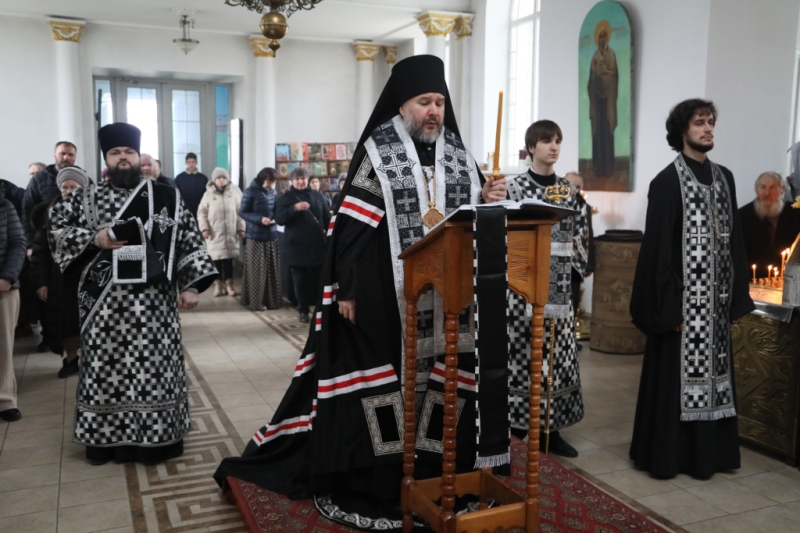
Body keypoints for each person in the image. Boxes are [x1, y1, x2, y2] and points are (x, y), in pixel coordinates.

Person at [214, 54, 507, 528]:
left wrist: (488, 199)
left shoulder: (458, 154)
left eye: (438, 102)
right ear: (402, 105)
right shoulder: (380, 150)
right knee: (386, 386)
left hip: (449, 299)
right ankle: (382, 482)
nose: (433, 111)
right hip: (384, 297)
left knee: (442, 385)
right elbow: (350, 226)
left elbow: (469, 218)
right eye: (423, 102)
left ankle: (438, 473)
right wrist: (346, 288)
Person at [48, 122, 217, 465]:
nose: (123, 158)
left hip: (154, 305)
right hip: (103, 308)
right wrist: (95, 239)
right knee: (105, 372)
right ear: (105, 159)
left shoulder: (166, 195)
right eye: (115, 153)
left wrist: (191, 285)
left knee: (156, 371)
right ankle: (106, 443)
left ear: (139, 156)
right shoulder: (85, 198)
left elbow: (187, 237)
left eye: (128, 152)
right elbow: (55, 227)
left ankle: (159, 440)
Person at [629, 99, 754, 479]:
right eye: (700, 123)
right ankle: (669, 457)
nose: (708, 129)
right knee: (673, 384)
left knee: (716, 381)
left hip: (714, 308)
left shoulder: (725, 178)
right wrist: (670, 309)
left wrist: (734, 298)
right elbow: (657, 251)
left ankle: (709, 457)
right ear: (683, 130)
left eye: (711, 122)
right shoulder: (667, 182)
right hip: (683, 309)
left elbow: (734, 242)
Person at [505, 121, 589, 458]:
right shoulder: (514, 188)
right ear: (531, 147)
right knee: (521, 359)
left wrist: (572, 275)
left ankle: (551, 431)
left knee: (555, 360)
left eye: (557, 141)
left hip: (557, 290)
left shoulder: (568, 191)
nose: (553, 147)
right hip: (519, 291)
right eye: (546, 141)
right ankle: (517, 427)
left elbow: (581, 233)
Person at [30, 167, 91, 378]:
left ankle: (94, 362)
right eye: (64, 187)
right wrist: (41, 282)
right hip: (61, 279)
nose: (68, 190)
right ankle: (71, 359)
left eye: (73, 186)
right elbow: (40, 252)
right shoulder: (49, 213)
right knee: (67, 322)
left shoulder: (94, 211)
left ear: (83, 188)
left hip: (90, 277)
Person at [274, 167, 330, 323]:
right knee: (300, 281)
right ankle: (303, 310)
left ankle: (321, 309)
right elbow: (279, 218)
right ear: (292, 181)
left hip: (317, 247)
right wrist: (294, 208)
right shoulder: (286, 197)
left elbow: (326, 219)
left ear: (307, 180)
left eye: (303, 178)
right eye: (297, 179)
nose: (300, 181)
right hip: (296, 248)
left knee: (320, 281)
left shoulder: (318, 196)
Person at [739, 171, 800, 278]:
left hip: (788, 278)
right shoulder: (742, 216)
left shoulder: (795, 213)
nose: (767, 193)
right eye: (762, 187)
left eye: (772, 187)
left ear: (782, 189)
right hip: (753, 280)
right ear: (756, 190)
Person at [0, 180, 26, 422]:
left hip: (3, 288)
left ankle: (5, 400)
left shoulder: (5, 205)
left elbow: (18, 243)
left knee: (3, 346)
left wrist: (7, 277)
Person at [197, 168, 245, 297]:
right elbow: (202, 213)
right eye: (219, 178)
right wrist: (204, 228)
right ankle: (218, 285)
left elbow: (240, 212)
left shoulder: (234, 194)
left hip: (230, 233)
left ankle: (229, 285)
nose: (221, 180)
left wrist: (241, 228)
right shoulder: (207, 195)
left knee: (229, 261)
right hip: (214, 233)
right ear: (214, 180)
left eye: (224, 178)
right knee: (216, 261)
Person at [239, 167, 281, 311]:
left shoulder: (273, 192)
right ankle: (256, 302)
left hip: (272, 235)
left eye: (273, 182)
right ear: (262, 179)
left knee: (272, 270)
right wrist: (259, 219)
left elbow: (276, 210)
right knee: (257, 271)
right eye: (269, 181)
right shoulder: (250, 191)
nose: (270, 185)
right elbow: (243, 212)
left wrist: (276, 218)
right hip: (255, 236)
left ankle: (272, 301)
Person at [23, 141, 78, 244]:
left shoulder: (85, 180)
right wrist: (30, 244)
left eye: (70, 154)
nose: (66, 158)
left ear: (75, 157)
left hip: (77, 239)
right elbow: (27, 210)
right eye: (62, 154)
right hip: (45, 240)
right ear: (54, 155)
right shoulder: (38, 180)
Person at [588, 20, 618, 178]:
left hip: (608, 102)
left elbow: (614, 75)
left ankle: (608, 168)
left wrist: (605, 71)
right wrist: (595, 72)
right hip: (597, 102)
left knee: (607, 133)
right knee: (597, 134)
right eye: (599, 37)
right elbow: (591, 81)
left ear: (607, 39)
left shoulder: (611, 54)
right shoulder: (595, 56)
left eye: (604, 37)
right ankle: (597, 168)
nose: (601, 40)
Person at [563, 171, 596, 314]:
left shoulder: (585, 207)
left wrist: (590, 263)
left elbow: (589, 234)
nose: (575, 189)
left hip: (577, 262)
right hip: (558, 258)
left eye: (578, 186)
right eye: (571, 185)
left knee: (573, 299)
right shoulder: (555, 204)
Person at [175, 152, 208, 219]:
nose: (191, 164)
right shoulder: (179, 178)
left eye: (193, 162)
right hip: (184, 211)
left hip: (200, 210)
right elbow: (176, 194)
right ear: (186, 163)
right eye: (189, 162)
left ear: (196, 163)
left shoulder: (203, 178)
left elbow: (206, 195)